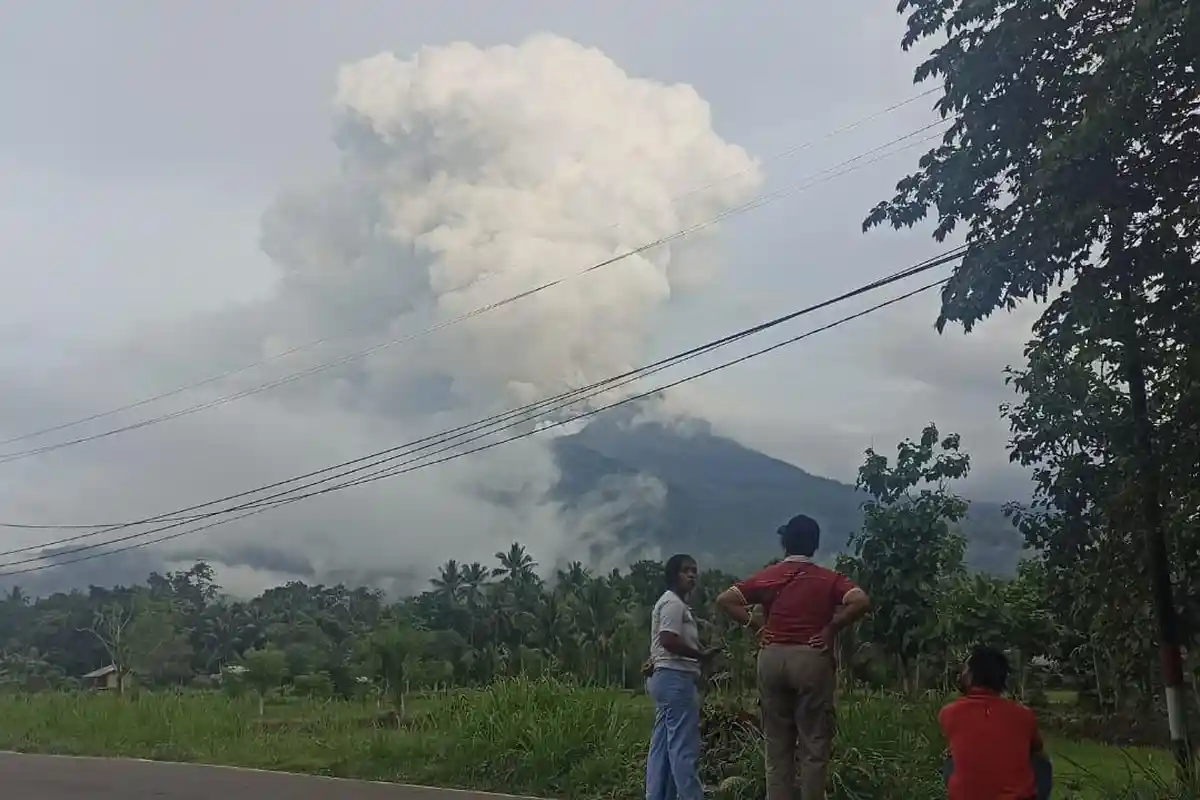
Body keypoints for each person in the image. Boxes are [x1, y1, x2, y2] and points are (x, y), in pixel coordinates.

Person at [716, 514, 871, 800]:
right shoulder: (829, 578)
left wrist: (757, 626)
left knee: (776, 747)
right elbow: (860, 600)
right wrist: (831, 628)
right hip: (811, 659)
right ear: (815, 545)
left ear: (785, 542)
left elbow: (726, 599)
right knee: (814, 745)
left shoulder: (768, 575)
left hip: (772, 657)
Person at [644, 553, 719, 800]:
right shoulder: (674, 604)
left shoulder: (670, 603)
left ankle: (657, 795)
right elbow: (667, 639)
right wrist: (700, 655)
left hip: (664, 678)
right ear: (673, 575)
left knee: (663, 745)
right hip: (676, 678)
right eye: (686, 570)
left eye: (694, 570)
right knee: (683, 745)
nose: (692, 575)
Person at [940, 646, 1053, 800]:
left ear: (971, 676)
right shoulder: (1023, 714)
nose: (961, 673)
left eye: (964, 669)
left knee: (950, 756)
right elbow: (1038, 749)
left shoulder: (949, 713)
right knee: (1041, 760)